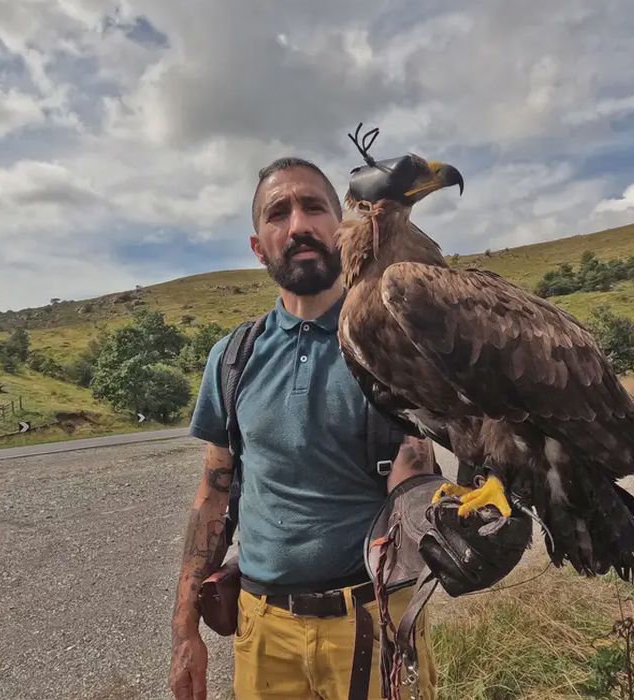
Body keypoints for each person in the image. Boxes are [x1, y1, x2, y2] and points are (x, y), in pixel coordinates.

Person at [168, 157, 438, 699]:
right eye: (278, 214)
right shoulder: (233, 357)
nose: (298, 226)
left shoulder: (392, 342)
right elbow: (214, 496)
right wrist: (184, 630)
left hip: (374, 622)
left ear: (344, 228)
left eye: (315, 207)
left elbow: (417, 477)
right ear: (258, 246)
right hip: (263, 634)